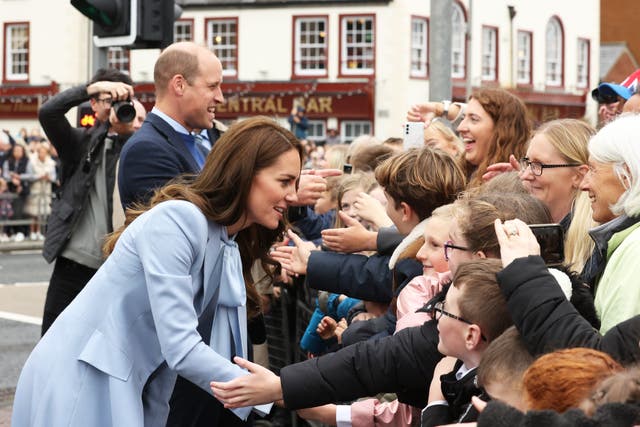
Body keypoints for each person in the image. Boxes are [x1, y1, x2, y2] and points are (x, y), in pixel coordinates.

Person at [12, 116, 303, 427]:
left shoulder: (224, 239)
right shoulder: (179, 220)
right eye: (284, 182)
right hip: (82, 377)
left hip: (126, 383)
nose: (294, 195)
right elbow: (181, 347)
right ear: (244, 173)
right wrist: (284, 393)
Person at [38, 68, 143, 335]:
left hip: (115, 269)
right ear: (94, 104)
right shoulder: (79, 143)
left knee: (105, 353)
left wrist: (126, 132)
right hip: (72, 267)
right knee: (52, 343)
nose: (115, 107)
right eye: (108, 99)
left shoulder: (138, 147)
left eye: (121, 101)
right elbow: (48, 113)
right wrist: (90, 88)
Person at [118, 41, 225, 207]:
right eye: (212, 86)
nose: (220, 98)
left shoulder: (201, 148)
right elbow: (186, 224)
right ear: (179, 85)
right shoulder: (146, 150)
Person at [407, 88, 530, 188]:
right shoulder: (461, 177)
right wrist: (439, 109)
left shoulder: (519, 186)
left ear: (502, 129)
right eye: (463, 117)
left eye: (473, 119)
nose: (460, 127)